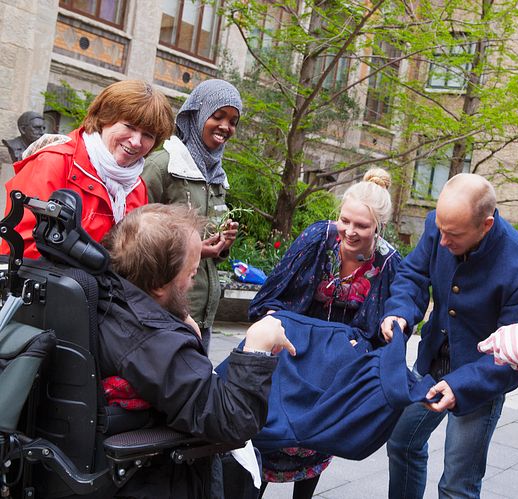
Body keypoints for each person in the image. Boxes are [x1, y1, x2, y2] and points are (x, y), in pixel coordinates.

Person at [98, 203, 295, 498]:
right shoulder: (157, 344)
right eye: (191, 274)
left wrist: (173, 318)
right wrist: (257, 349)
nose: (194, 279)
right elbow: (232, 421)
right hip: (157, 479)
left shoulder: (112, 300)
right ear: (159, 285)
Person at [381, 173, 518, 499]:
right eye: (441, 230)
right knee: (402, 444)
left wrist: (461, 386)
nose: (443, 241)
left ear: (486, 225)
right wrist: (400, 312)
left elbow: (515, 355)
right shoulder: (442, 225)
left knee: (456, 485)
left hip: (480, 382)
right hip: (432, 362)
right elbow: (414, 273)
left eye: (454, 235)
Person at [248, 168, 402, 499]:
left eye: (361, 226)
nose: (349, 231)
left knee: (315, 440)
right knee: (269, 434)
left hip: (335, 366)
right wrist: (274, 320)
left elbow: (386, 325)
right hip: (292, 354)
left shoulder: (388, 263)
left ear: (379, 227)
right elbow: (271, 293)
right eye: (345, 220)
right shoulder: (319, 238)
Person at [1, 80, 173, 259]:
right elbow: (21, 247)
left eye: (148, 135)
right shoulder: (54, 162)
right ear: (104, 119)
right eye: (129, 126)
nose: (136, 142)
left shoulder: (136, 186)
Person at [142, 79, 242, 353]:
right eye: (217, 116)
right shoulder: (163, 166)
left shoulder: (217, 175)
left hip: (202, 313)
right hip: (164, 311)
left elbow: (206, 242)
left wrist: (223, 244)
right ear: (195, 115)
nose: (225, 127)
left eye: (233, 121)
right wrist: (194, 249)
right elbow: (134, 241)